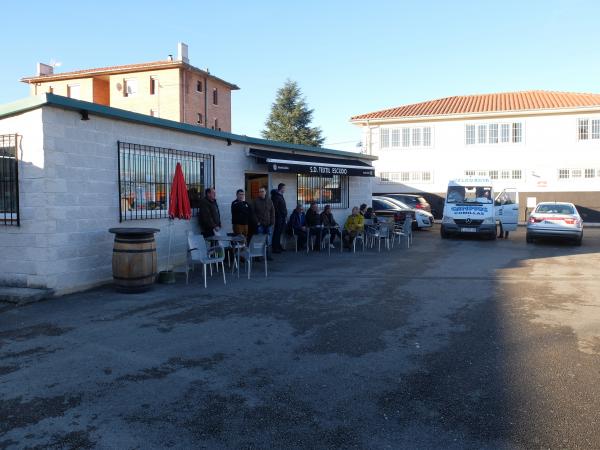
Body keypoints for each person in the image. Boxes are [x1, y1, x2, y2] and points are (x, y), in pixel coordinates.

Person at [251, 186, 275, 260]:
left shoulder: (269, 201)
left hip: (269, 224)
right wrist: (257, 222)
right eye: (260, 191)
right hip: (260, 225)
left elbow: (272, 211)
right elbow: (253, 213)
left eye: (262, 191)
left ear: (265, 192)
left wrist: (272, 221)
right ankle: (258, 256)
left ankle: (268, 256)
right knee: (259, 241)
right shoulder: (255, 201)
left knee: (268, 241)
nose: (261, 193)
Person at [271, 183, 288, 254]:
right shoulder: (276, 196)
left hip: (282, 217)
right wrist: (280, 215)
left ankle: (278, 246)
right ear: (281, 188)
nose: (285, 189)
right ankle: (275, 248)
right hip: (279, 218)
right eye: (284, 188)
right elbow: (275, 208)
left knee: (279, 233)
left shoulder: (280, 196)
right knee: (276, 233)